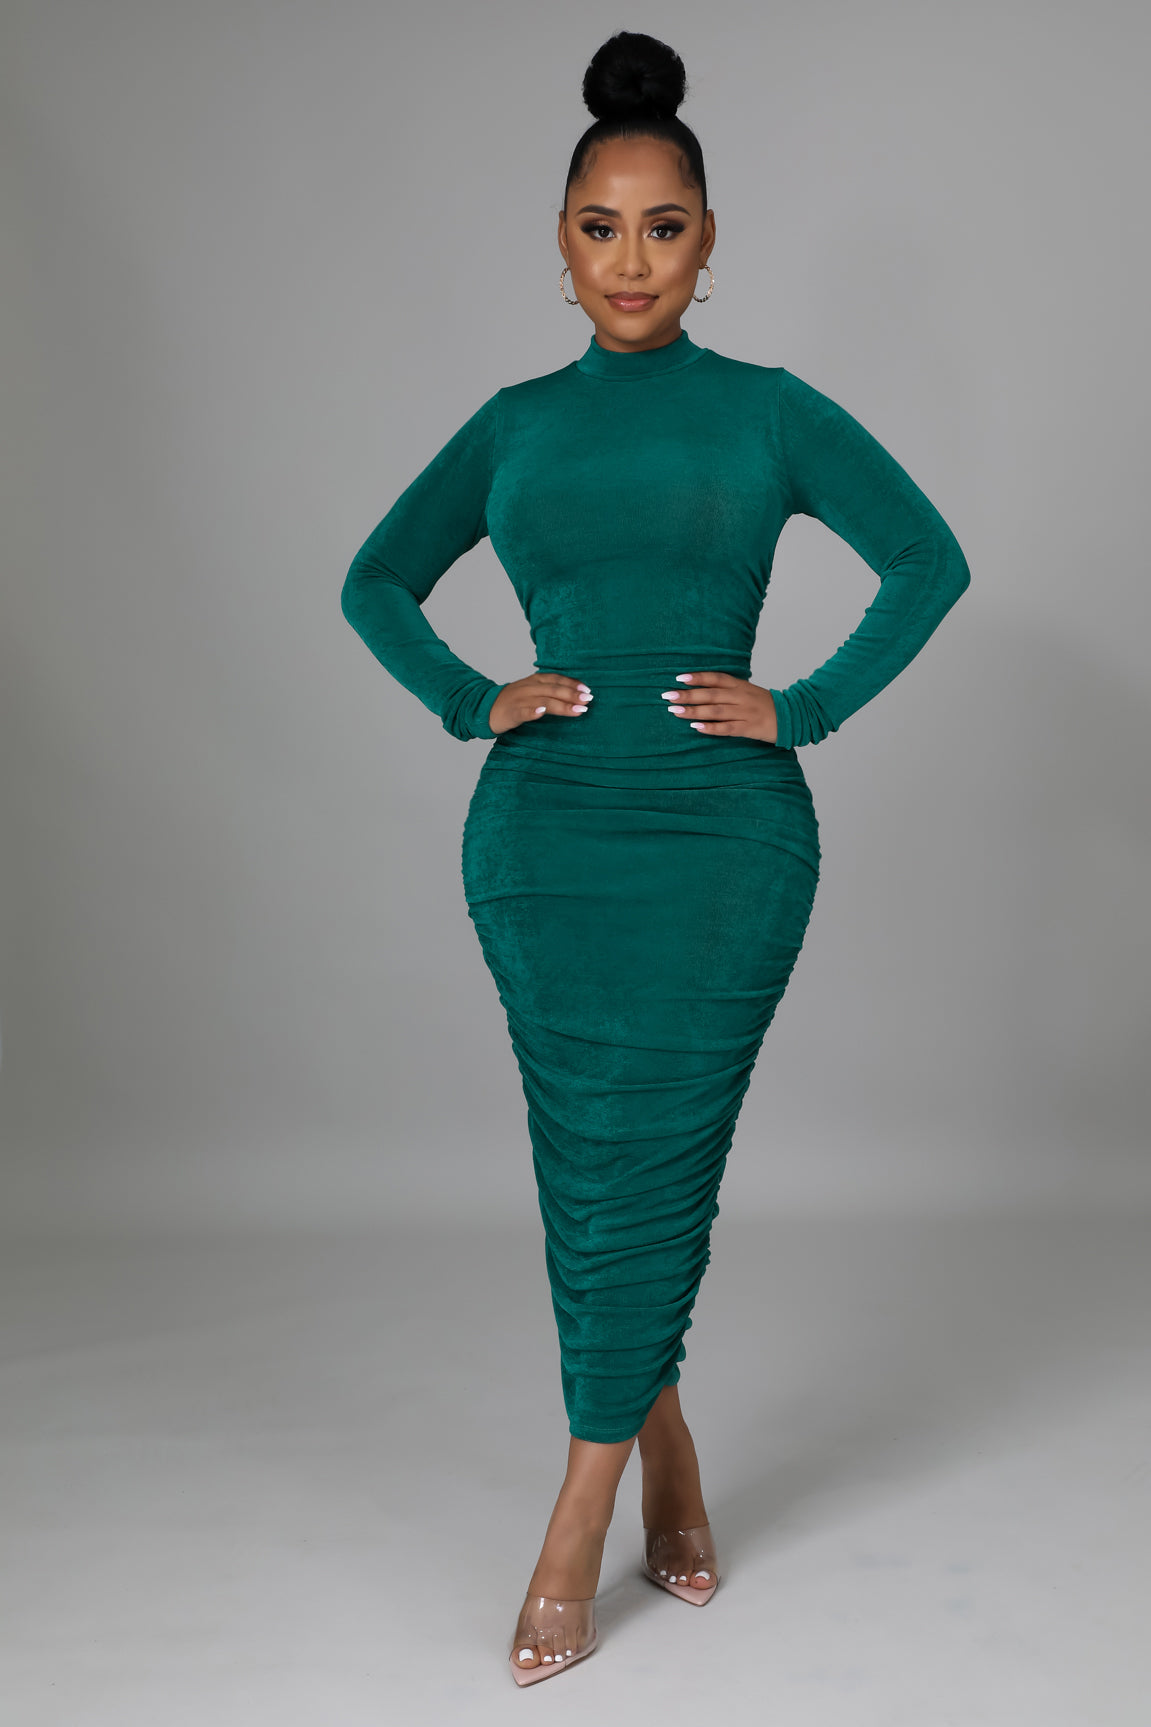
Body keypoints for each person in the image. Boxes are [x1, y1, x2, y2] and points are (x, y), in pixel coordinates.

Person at [340, 29, 971, 1688]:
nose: (632, 259)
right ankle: (665, 1452)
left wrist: (805, 707)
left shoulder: (768, 413)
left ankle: (575, 1518)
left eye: (664, 227)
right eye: (601, 227)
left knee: (659, 1159)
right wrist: (472, 696)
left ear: (707, 244)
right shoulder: (514, 425)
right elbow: (374, 581)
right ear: (560, 248)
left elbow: (928, 559)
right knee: (591, 1167)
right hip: (542, 844)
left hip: (723, 849)